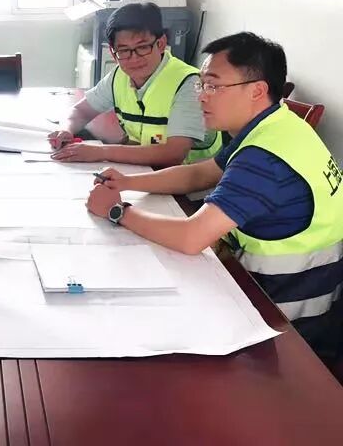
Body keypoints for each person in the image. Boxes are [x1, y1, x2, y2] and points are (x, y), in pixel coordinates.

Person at [86, 32, 343, 359]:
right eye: (201, 85)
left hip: (284, 320)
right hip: (289, 291)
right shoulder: (278, 125)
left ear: (257, 90)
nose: (202, 97)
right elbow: (201, 173)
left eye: (212, 86)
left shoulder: (263, 158)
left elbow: (191, 237)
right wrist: (127, 183)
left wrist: (118, 211)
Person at [50, 3, 222, 167]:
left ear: (161, 44)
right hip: (145, 169)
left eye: (143, 47)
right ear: (113, 53)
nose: (134, 58)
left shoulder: (189, 83)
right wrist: (66, 130)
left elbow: (173, 153)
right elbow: (80, 111)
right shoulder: (118, 76)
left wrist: (101, 152)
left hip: (192, 179)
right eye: (124, 50)